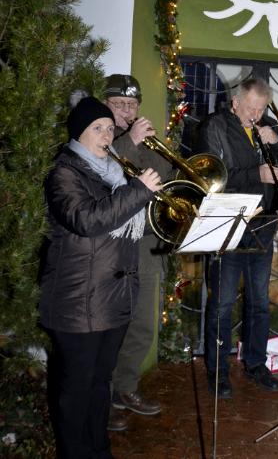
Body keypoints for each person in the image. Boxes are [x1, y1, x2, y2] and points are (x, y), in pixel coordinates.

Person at [39, 96, 162, 458]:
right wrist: (137, 191)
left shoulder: (114, 173)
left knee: (100, 384)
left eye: (110, 128)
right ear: (79, 132)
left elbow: (127, 225)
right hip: (78, 303)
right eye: (98, 128)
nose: (107, 135)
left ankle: (99, 449)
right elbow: (88, 220)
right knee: (76, 390)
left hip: (113, 301)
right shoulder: (64, 173)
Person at [197, 77, 278, 398]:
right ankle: (218, 371)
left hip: (263, 225)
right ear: (235, 103)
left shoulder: (267, 125)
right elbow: (211, 176)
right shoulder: (215, 126)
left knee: (259, 302)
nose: (256, 114)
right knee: (222, 304)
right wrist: (256, 174)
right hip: (228, 226)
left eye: (261, 109)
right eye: (251, 108)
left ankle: (255, 364)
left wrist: (276, 141)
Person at [104, 74, 174, 427]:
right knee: (107, 329)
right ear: (105, 105)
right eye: (118, 104)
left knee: (143, 324)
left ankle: (125, 388)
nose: (126, 111)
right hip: (110, 245)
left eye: (131, 105)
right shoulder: (98, 136)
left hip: (146, 242)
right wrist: (129, 141)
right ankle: (101, 400)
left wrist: (146, 145)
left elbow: (164, 177)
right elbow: (105, 176)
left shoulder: (144, 141)